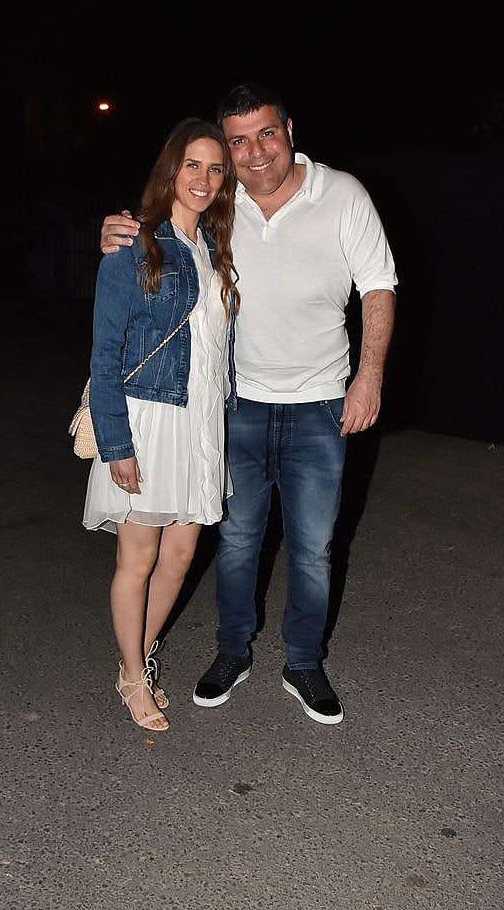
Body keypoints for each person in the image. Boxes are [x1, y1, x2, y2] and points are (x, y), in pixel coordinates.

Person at [99, 83, 397, 726]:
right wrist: (120, 231)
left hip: (321, 403)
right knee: (235, 543)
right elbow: (161, 235)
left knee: (313, 548)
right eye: (238, 141)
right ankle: (230, 652)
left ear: (289, 130)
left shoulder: (342, 194)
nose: (255, 151)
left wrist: (369, 376)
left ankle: (303, 662)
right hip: (234, 404)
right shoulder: (220, 205)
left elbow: (378, 284)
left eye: (266, 133)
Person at [85, 117, 239, 732]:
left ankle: (138, 658)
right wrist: (116, 443)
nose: (203, 178)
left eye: (215, 168)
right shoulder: (135, 246)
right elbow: (105, 355)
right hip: (149, 419)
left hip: (201, 421)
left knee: (181, 552)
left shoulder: (218, 249)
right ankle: (132, 674)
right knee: (140, 555)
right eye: (192, 164)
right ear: (171, 169)